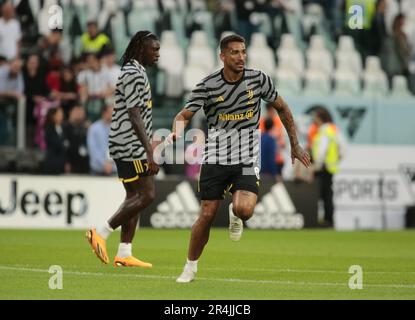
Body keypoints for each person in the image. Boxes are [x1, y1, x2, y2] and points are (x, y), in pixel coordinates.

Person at [169, 34, 310, 283]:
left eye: (243, 51)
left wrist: (295, 144)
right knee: (207, 214)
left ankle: (236, 214)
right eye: (234, 52)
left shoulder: (258, 79)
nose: (241, 56)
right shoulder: (208, 85)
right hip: (215, 157)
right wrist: (175, 133)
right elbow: (184, 114)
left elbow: (283, 107)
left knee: (244, 210)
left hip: (246, 158)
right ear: (222, 56)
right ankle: (190, 267)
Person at [86, 30, 160, 268]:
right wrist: (149, 150)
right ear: (141, 48)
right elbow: (134, 113)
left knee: (134, 197)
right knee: (147, 195)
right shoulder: (132, 72)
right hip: (130, 145)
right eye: (154, 49)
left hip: (128, 142)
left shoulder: (136, 71)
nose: (158, 54)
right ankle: (101, 233)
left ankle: (124, 253)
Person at [310, 107, 345, 228]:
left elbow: (321, 151)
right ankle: (329, 219)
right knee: (328, 195)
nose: (314, 120)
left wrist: (316, 165)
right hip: (330, 167)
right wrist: (337, 160)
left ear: (320, 118)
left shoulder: (323, 131)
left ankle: (324, 220)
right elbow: (342, 148)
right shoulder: (334, 129)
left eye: (315, 117)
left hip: (323, 167)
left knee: (321, 195)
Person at [87, 105, 116, 175]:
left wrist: (111, 164)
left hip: (114, 169)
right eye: (111, 112)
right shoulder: (94, 128)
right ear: (104, 113)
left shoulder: (117, 129)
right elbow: (93, 149)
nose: (113, 114)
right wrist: (104, 164)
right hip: (97, 170)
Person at [43, 107, 67, 175]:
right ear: (53, 116)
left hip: (62, 162)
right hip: (52, 162)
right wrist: (64, 143)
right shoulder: (49, 129)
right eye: (59, 114)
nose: (62, 115)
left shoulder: (64, 127)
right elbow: (56, 143)